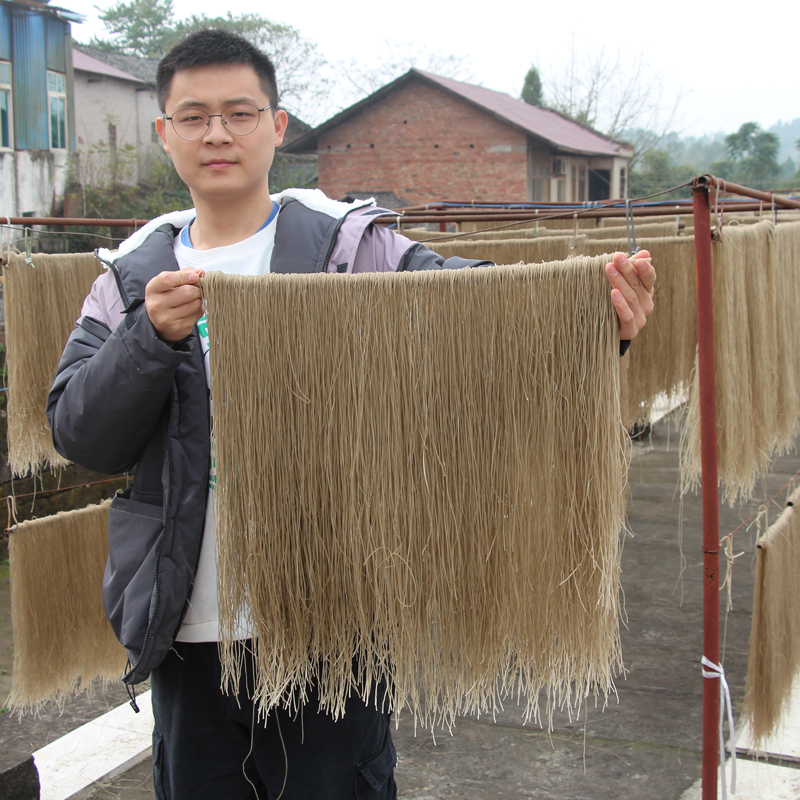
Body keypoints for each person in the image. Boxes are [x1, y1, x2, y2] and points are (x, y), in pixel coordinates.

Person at [47, 29, 656, 800]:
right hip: (187, 632)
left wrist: (599, 320)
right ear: (164, 134)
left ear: (279, 125)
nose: (218, 133)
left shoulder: (349, 247)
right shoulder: (133, 275)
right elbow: (79, 433)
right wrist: (148, 337)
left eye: (240, 111)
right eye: (194, 116)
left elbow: (480, 315)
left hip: (334, 623)